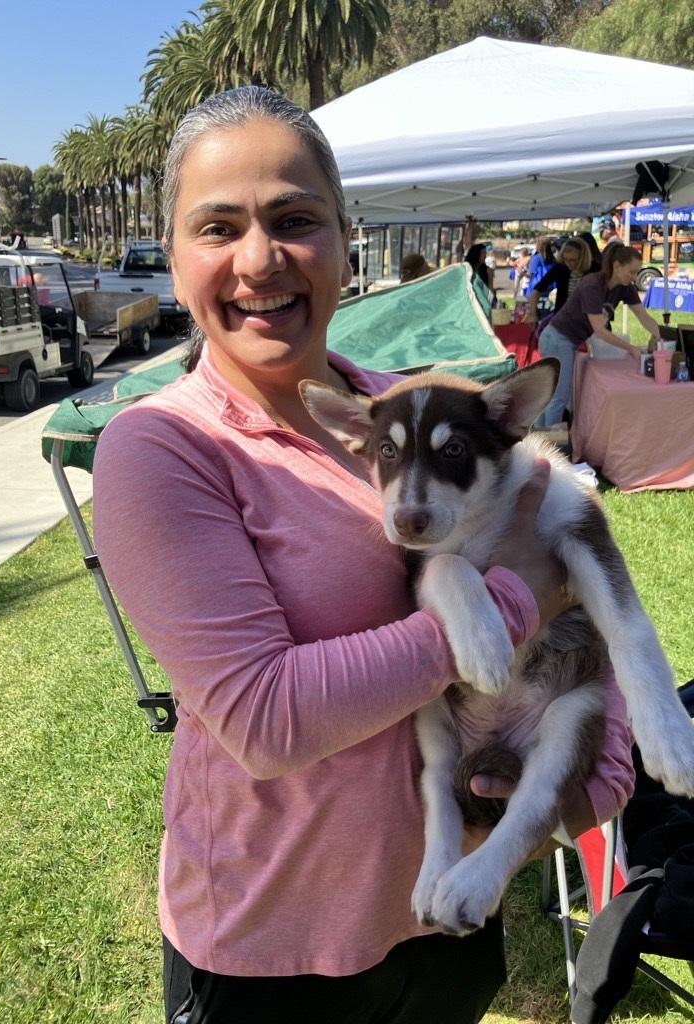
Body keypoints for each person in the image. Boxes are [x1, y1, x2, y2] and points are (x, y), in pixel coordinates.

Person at [91, 86, 634, 1024]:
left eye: (295, 218)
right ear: (175, 263)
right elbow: (266, 720)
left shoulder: (412, 407)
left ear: (344, 240)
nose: (259, 260)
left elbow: (578, 559)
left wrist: (601, 763)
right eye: (217, 226)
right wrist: (514, 604)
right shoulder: (163, 450)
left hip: (450, 902)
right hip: (280, 944)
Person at [535, 243, 662, 428]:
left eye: (637, 273)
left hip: (567, 340)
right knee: (559, 397)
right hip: (557, 338)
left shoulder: (625, 287)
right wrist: (631, 348)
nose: (634, 277)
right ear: (617, 266)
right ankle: (550, 448)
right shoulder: (592, 284)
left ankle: (541, 439)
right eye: (631, 272)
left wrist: (660, 338)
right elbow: (599, 330)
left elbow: (643, 316)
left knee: (554, 396)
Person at [523, 237, 595, 326]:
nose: (569, 263)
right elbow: (538, 288)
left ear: (583, 257)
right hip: (562, 317)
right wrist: (532, 313)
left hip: (586, 320)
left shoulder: (594, 270)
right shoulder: (561, 267)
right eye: (566, 259)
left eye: (573, 260)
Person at [465, 242, 495, 319]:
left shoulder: (488, 270)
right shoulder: (467, 270)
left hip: (483, 301)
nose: (485, 256)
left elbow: (490, 287)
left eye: (485, 253)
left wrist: (490, 302)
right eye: (482, 253)